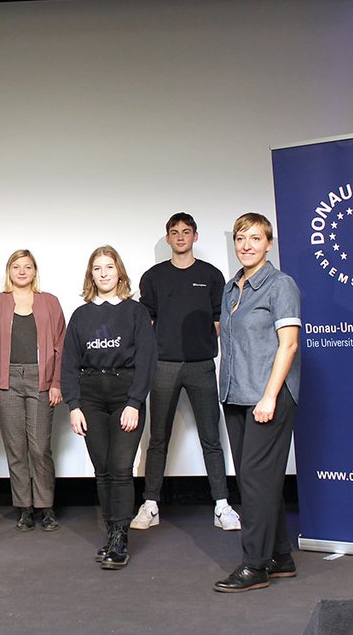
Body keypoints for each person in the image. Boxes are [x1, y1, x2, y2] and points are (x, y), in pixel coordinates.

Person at [133, 213, 241, 531]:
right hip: (163, 366)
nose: (180, 236)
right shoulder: (153, 277)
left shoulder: (211, 275)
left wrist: (197, 345)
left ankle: (222, 505)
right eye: (174, 232)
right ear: (167, 238)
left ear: (195, 236)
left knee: (212, 438)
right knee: (158, 439)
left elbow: (219, 320)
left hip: (200, 365)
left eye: (186, 232)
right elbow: (147, 322)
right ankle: (150, 504)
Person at [213, 213, 301, 593]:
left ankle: (254, 566)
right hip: (236, 395)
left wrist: (269, 395)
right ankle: (280, 556)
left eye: (254, 238)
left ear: (268, 244)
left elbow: (290, 343)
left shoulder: (281, 285)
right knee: (260, 481)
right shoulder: (232, 289)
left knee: (253, 482)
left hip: (268, 398)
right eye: (240, 238)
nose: (246, 245)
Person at [61, 245, 157, 570]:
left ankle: (121, 537)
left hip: (124, 395)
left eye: (109, 267)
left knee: (120, 468)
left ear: (119, 271)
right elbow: (69, 364)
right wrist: (73, 406)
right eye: (97, 268)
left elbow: (146, 360)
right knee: (101, 470)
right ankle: (111, 533)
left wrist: (135, 402)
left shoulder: (135, 312)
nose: (104, 273)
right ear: (91, 274)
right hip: (90, 397)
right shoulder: (81, 315)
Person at [0, 249, 66, 532]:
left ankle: (46, 507)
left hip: (41, 381)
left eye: (27, 266)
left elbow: (61, 347)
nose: (22, 271)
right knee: (16, 449)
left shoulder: (49, 302)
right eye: (16, 266)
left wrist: (56, 383)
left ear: (35, 271)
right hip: (7, 381)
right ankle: (25, 508)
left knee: (40, 448)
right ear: (9, 271)